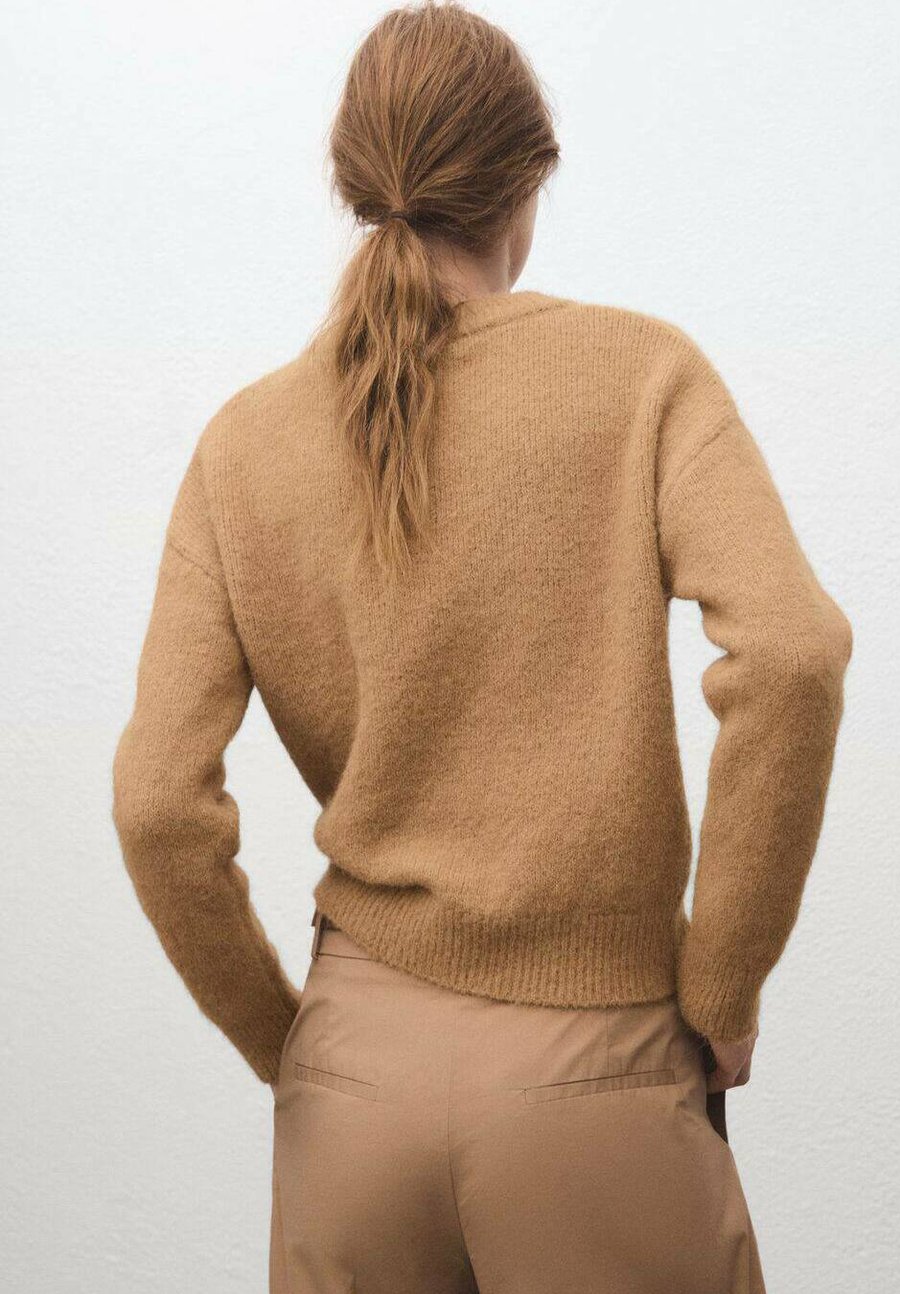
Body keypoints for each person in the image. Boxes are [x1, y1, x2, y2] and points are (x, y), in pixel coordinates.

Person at [111, 3, 853, 1291]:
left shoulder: (243, 445)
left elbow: (154, 804)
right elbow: (793, 655)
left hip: (352, 1089)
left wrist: (294, 1049)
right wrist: (724, 988)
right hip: (598, 1075)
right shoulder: (641, 374)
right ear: (527, 181)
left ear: (358, 185)